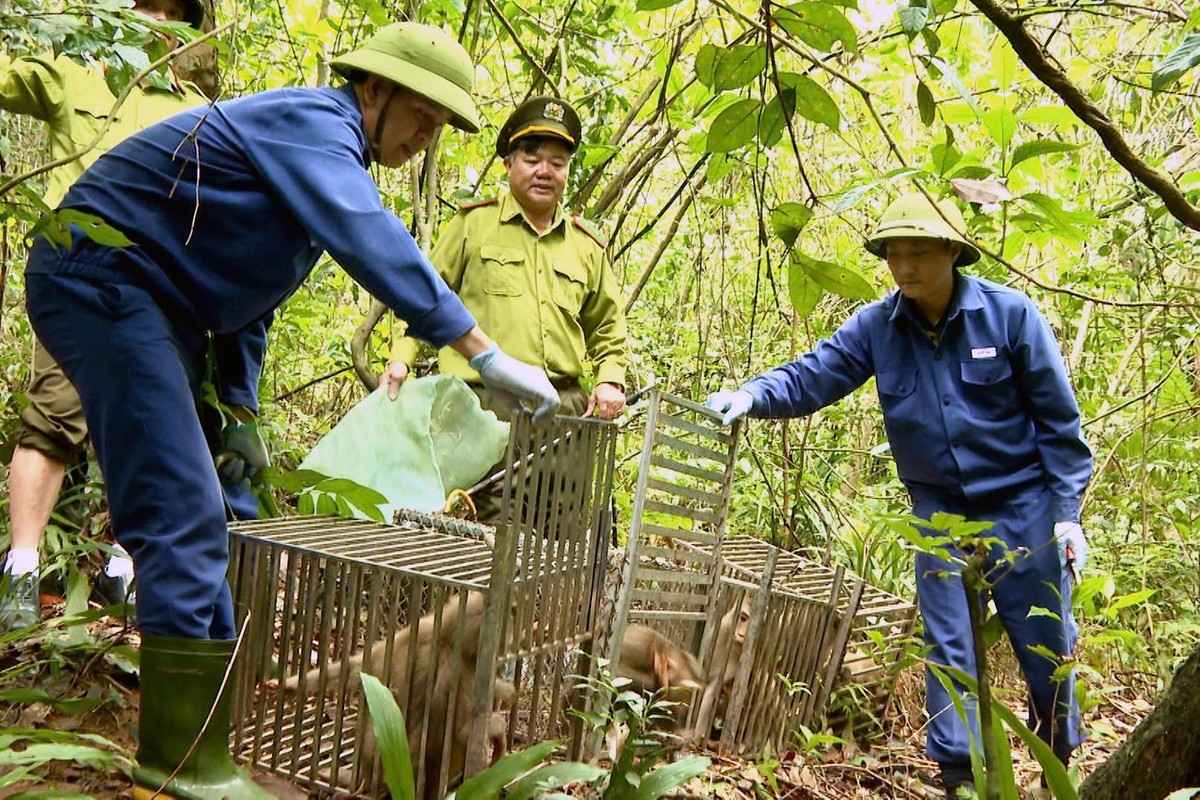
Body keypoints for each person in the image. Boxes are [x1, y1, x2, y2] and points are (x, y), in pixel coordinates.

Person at [23, 22, 559, 799]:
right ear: (373, 89)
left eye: (439, 127)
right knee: (180, 512)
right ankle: (176, 774)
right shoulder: (313, 124)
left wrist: (239, 422)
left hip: (163, 304)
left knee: (220, 519)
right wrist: (479, 348)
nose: (425, 138)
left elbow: (245, 302)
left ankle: (201, 751)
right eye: (422, 116)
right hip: (101, 276)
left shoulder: (316, 167)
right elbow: (368, 235)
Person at [706, 193, 1092, 799]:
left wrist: (1067, 516)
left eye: (919, 253)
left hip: (1023, 505)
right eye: (893, 254)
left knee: (1046, 645)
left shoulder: (1010, 316)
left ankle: (1057, 768)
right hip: (938, 511)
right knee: (950, 646)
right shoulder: (877, 327)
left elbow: (1058, 423)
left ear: (953, 253)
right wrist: (753, 395)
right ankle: (960, 780)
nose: (904, 267)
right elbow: (814, 374)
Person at [0, 0, 213, 633]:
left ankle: (124, 569)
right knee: (52, 417)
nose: (156, 20)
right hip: (75, 278)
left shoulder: (198, 112)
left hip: (156, 291)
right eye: (145, 5)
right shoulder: (76, 72)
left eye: (171, 11)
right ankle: (20, 572)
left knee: (147, 429)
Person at [382, 95, 628, 523]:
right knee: (483, 530)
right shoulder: (473, 224)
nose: (544, 171)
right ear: (508, 164)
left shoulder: (586, 246)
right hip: (485, 407)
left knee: (559, 533)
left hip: (565, 413)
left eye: (557, 162)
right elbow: (425, 299)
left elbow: (608, 326)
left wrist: (610, 380)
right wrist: (402, 358)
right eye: (532, 159)